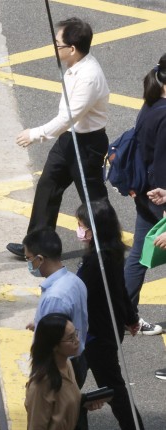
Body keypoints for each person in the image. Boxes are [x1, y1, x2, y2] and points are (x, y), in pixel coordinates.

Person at [15, 228, 116, 430]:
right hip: (73, 362)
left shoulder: (56, 297)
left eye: (29, 259)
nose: (29, 264)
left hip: (59, 369)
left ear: (41, 258)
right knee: (67, 427)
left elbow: (53, 341)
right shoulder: (72, 281)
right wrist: (40, 322)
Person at [6, 17, 109, 259]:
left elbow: (67, 117)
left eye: (58, 44)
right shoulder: (76, 66)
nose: (54, 48)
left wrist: (35, 134)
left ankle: (107, 244)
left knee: (93, 199)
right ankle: (36, 246)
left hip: (87, 145)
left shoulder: (88, 77)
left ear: (72, 49)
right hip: (69, 139)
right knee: (48, 186)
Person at [74, 201, 146, 430]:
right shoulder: (111, 253)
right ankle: (62, 424)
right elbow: (120, 290)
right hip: (104, 329)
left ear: (93, 229)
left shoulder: (97, 262)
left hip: (96, 334)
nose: (79, 230)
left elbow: (78, 292)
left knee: (112, 385)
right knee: (74, 375)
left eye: (81, 225)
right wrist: (131, 317)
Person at [124, 53, 166, 334]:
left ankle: (123, 313)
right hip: (159, 199)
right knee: (139, 256)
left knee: (138, 257)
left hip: (144, 194)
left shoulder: (151, 102)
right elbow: (163, 168)